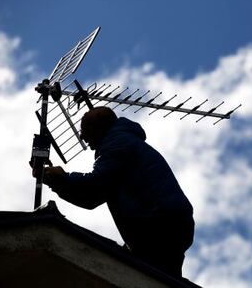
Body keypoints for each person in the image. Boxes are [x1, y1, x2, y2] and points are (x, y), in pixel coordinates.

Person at [40, 106, 194, 277]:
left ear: (99, 128)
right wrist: (57, 182)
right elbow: (92, 198)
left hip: (158, 224)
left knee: (154, 276)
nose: (82, 137)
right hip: (168, 225)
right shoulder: (124, 142)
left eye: (85, 131)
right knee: (162, 278)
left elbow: (94, 186)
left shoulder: (117, 143)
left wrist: (62, 177)